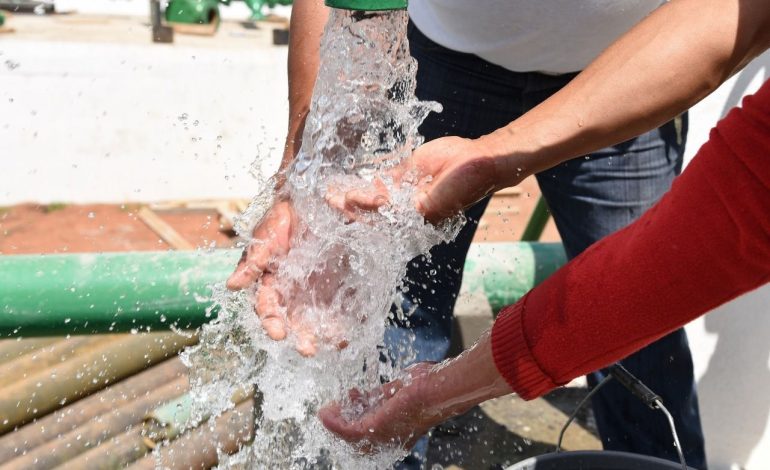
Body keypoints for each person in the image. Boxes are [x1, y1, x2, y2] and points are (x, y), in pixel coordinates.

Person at [227, 0, 714, 467]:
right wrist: (305, 173)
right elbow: (341, 6)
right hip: (444, 62)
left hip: (637, 66)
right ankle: (380, 458)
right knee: (399, 307)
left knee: (642, 317)